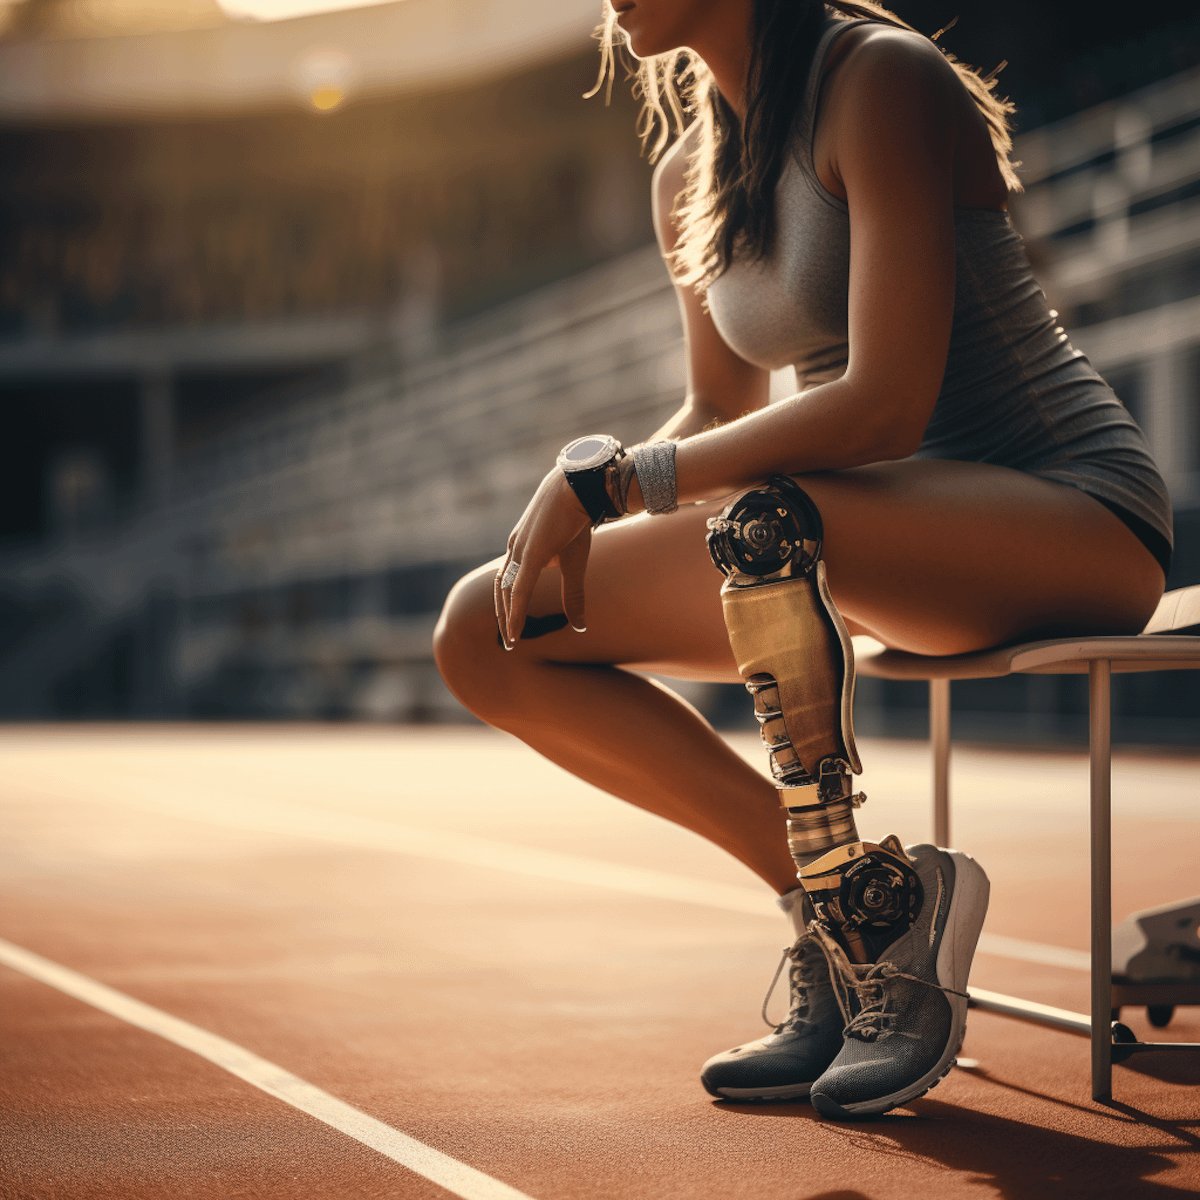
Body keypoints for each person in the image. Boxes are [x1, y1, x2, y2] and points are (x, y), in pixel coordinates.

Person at [434, 0, 1171, 1118]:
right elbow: (717, 407)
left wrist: (625, 482)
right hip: (861, 529)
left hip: (1071, 517)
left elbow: (884, 405)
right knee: (489, 631)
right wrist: (598, 486)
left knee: (775, 518)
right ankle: (846, 913)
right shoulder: (689, 167)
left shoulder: (880, 80)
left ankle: (880, 933)